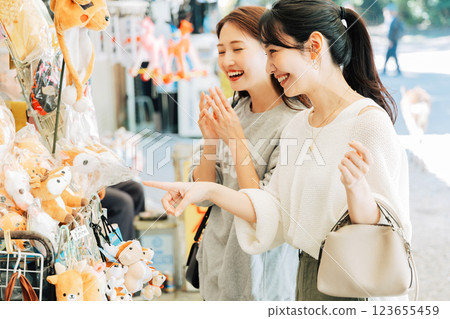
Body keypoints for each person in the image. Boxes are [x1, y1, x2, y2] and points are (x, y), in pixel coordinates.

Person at [144, 0, 412, 301]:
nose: (270, 66)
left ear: (313, 46)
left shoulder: (368, 123)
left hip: (356, 284)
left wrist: (357, 192)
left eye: (273, 52)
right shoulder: (299, 125)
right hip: (307, 278)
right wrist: (205, 189)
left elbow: (390, 231)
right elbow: (272, 211)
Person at [186, 6, 304, 300]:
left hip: (263, 279)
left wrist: (236, 140)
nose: (227, 61)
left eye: (237, 48)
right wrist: (211, 141)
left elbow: (265, 215)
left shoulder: (297, 122)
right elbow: (201, 195)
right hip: (214, 267)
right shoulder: (231, 108)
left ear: (269, 52)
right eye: (221, 50)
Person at [382, 3, 404, 75]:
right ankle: (396, 69)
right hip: (393, 40)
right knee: (391, 55)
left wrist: (391, 41)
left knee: (389, 55)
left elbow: (393, 31)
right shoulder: (393, 19)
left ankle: (387, 69)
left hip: (393, 41)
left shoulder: (395, 20)